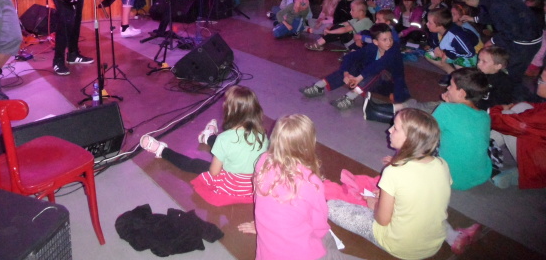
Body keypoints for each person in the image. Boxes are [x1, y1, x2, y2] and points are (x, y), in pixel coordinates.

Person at [330, 108, 480, 257]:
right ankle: (453, 236)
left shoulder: (394, 172)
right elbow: (420, 192)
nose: (389, 130)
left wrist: (375, 205)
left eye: (395, 128)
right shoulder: (441, 164)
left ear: (410, 139)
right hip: (433, 243)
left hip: (403, 247)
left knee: (331, 207)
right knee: (426, 207)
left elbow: (382, 220)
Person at [238, 114, 361, 260]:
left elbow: (261, 202)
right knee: (328, 239)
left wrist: (263, 226)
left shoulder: (263, 161)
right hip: (303, 255)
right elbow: (319, 226)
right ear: (308, 144)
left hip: (266, 255)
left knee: (329, 242)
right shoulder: (311, 182)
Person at [139, 85, 268, 204]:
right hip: (250, 188)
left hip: (231, 186)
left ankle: (162, 151)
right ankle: (208, 137)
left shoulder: (224, 139)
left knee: (193, 164)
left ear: (229, 112)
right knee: (229, 147)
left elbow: (214, 172)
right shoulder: (263, 136)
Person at [301, 24, 410, 111]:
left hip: (389, 84)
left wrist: (358, 78)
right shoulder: (372, 47)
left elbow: (379, 65)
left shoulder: (394, 51)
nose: (389, 42)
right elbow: (350, 56)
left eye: (390, 39)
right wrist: (346, 73)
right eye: (385, 40)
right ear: (376, 42)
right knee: (355, 64)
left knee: (378, 70)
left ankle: (350, 98)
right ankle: (319, 86)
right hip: (370, 82)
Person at [455, 0, 542, 84]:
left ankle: (509, 92)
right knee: (504, 69)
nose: (467, 4)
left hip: (525, 42)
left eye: (465, 1)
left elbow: (510, 31)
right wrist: (474, 19)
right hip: (525, 35)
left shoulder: (497, 5)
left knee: (510, 74)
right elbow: (492, 16)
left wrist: (492, 41)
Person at [424, 7, 479, 82]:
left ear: (440, 25)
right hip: (453, 52)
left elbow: (469, 53)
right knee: (430, 55)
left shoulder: (455, 35)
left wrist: (447, 54)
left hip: (474, 54)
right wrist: (436, 47)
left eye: (430, 23)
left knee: (459, 62)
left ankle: (465, 80)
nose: (427, 24)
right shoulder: (435, 30)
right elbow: (432, 42)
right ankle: (452, 74)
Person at [305, 0, 373, 51]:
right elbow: (342, 24)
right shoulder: (356, 19)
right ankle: (319, 42)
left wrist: (330, 32)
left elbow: (345, 29)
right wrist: (330, 28)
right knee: (339, 25)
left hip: (357, 45)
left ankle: (319, 43)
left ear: (361, 12)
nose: (350, 12)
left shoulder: (366, 21)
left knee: (342, 29)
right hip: (351, 42)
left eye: (353, 10)